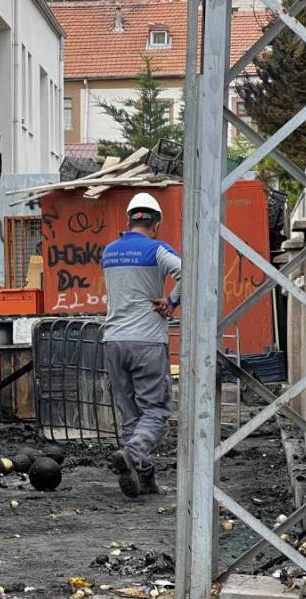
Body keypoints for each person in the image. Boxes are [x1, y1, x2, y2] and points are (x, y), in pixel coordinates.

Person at [100, 192, 182, 498]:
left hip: (113, 342)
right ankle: (133, 455)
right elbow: (188, 272)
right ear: (156, 224)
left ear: (129, 221)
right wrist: (171, 300)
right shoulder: (157, 249)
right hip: (147, 341)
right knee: (156, 410)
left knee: (130, 414)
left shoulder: (109, 252)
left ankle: (144, 478)